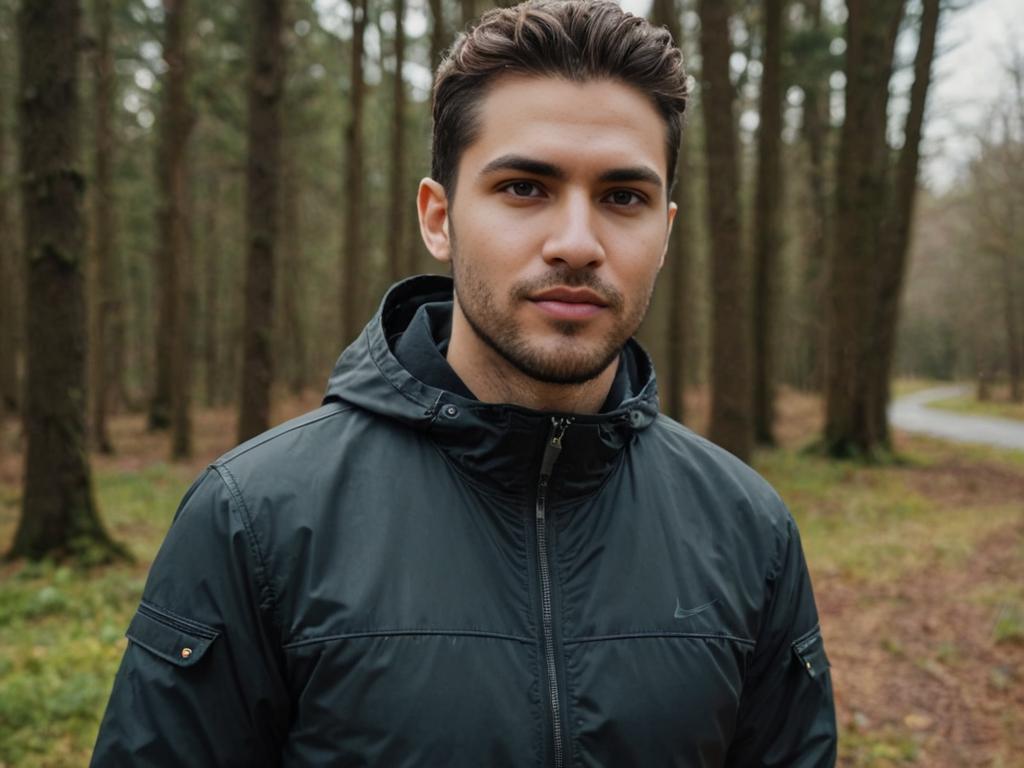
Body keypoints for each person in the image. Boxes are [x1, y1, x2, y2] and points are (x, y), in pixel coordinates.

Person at [91, 1, 837, 765]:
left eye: (623, 198)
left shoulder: (749, 532)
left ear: (666, 231)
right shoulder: (257, 520)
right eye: (524, 187)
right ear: (439, 218)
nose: (577, 244)